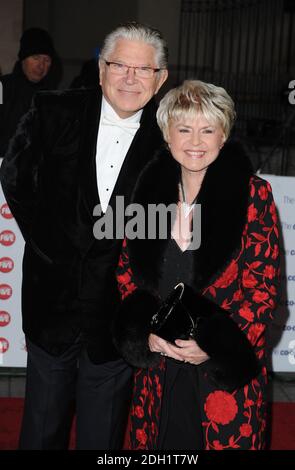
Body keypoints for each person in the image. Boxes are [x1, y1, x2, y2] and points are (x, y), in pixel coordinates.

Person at [0, 22, 168, 449]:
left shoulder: (173, 138)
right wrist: (47, 244)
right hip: (50, 302)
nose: (130, 78)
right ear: (100, 69)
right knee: (40, 430)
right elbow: (15, 176)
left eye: (143, 70)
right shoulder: (54, 109)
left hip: (119, 316)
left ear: (161, 78)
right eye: (119, 66)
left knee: (103, 436)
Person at [113, 80, 281, 450]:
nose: (195, 141)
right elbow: (128, 273)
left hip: (221, 373)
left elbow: (262, 290)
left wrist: (213, 345)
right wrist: (146, 334)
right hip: (159, 366)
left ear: (223, 137)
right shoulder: (148, 193)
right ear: (168, 135)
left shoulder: (253, 196)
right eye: (184, 129)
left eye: (208, 130)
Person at [0, 27, 61, 159]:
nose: (41, 65)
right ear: (23, 59)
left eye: (47, 60)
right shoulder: (3, 87)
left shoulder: (53, 96)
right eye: (36, 58)